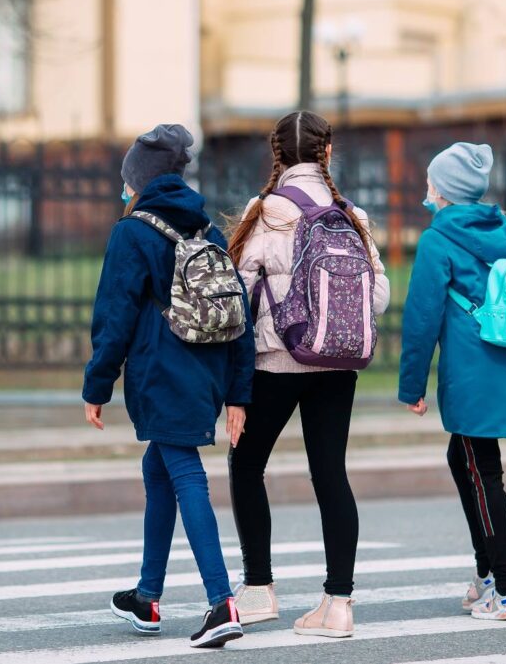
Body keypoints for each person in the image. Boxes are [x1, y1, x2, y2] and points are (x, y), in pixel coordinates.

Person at [82, 124, 256, 648]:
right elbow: (238, 315)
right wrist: (237, 393)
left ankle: (222, 602)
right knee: (157, 468)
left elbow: (114, 315)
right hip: (205, 376)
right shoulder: (208, 231)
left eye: (125, 181)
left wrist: (97, 385)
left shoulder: (132, 232)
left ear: (137, 181)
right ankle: (147, 597)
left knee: (185, 473)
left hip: (162, 373)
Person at [227, 110, 391, 638]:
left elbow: (239, 294)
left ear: (276, 154)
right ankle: (337, 605)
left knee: (247, 465)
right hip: (338, 363)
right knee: (330, 475)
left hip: (276, 359)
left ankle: (258, 590)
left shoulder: (265, 211)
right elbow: (380, 297)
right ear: (327, 152)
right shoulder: (352, 214)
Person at [399, 142, 506, 621]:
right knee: (465, 461)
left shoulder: (437, 241)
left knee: (483, 471)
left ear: (442, 189)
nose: (426, 188)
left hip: (469, 370)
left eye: (429, 181)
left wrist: (411, 386)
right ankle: (487, 575)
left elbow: (421, 318)